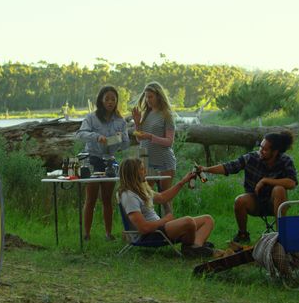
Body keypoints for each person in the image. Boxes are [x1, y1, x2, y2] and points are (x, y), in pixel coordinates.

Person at [197, 131, 298, 244]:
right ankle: (243, 234)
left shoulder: (285, 161)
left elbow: (292, 183)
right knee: (240, 200)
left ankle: (282, 235)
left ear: (275, 152)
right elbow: (229, 167)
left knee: (279, 189)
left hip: (276, 202)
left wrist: (266, 180)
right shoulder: (251, 158)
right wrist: (206, 169)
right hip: (255, 200)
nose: (261, 151)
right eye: (260, 147)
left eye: (265, 149)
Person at [118, 158, 215, 257]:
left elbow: (162, 197)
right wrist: (165, 220)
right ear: (133, 173)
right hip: (149, 235)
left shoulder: (141, 189)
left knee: (207, 220)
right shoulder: (129, 196)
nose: (145, 172)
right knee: (188, 222)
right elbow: (144, 228)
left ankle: (195, 247)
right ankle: (193, 247)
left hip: (160, 229)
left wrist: (182, 182)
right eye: (142, 169)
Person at [76, 86, 130, 241]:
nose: (110, 102)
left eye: (113, 99)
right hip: (92, 160)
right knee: (90, 198)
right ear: (101, 100)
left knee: (107, 198)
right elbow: (80, 134)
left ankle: (108, 234)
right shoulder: (91, 118)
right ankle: (86, 234)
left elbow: (126, 144)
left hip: (110, 161)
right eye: (107, 99)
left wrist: (120, 139)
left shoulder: (120, 121)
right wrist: (96, 136)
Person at [132, 82, 177, 215]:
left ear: (158, 96)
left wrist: (151, 136)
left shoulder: (167, 115)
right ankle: (150, 226)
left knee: (165, 198)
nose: (147, 100)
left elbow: (169, 142)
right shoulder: (146, 114)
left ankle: (171, 228)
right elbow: (139, 139)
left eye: (150, 97)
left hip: (164, 162)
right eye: (146, 97)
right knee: (145, 195)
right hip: (146, 161)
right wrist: (137, 123)